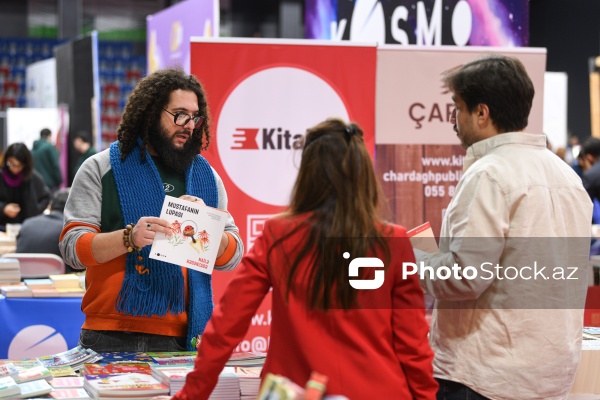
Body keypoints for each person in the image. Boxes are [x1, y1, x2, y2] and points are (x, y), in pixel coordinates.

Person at [163, 118, 437, 400]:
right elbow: (413, 345)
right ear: (363, 175)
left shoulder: (279, 234)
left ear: (307, 174)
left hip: (297, 392)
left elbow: (227, 325)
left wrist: (191, 395)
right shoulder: (393, 241)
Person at [414, 54, 592, 399]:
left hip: (485, 374)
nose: (454, 120)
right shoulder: (566, 175)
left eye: (458, 108)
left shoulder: (489, 174)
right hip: (550, 373)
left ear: (482, 113)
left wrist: (408, 259)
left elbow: (464, 277)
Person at [59, 68, 244, 352]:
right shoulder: (100, 168)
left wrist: (207, 224)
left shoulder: (208, 179)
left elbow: (232, 256)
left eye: (195, 117)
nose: (189, 125)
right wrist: (128, 239)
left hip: (181, 338)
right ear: (151, 113)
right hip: (108, 334)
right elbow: (72, 249)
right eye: (179, 114)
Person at [16, 188, 74, 272]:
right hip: (57, 281)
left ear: (50, 206)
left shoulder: (27, 223)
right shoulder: (68, 230)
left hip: (22, 278)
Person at [0, 142, 51, 229]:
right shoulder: (1, 176)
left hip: (27, 228)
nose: (15, 169)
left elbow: (46, 198)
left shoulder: (34, 178)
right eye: (11, 164)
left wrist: (34, 210)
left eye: (19, 165)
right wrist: (3, 208)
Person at [31, 128, 62, 194]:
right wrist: (59, 180)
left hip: (36, 185)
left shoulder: (33, 149)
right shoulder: (49, 147)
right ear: (49, 136)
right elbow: (55, 166)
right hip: (50, 185)